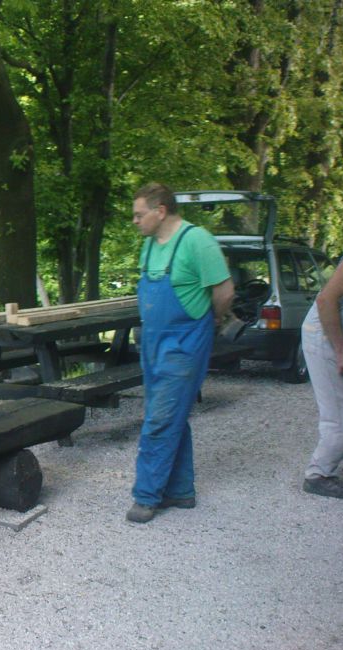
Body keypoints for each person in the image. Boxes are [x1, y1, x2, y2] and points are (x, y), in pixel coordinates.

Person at [127, 183, 234, 523]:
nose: (134, 221)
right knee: (171, 414)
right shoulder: (149, 245)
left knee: (159, 418)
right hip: (153, 342)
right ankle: (181, 490)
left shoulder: (197, 241)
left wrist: (215, 319)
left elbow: (224, 290)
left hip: (184, 342)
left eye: (139, 214)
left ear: (160, 211)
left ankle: (146, 496)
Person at [301, 255, 343, 498]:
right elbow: (325, 300)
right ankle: (318, 475)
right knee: (339, 418)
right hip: (323, 334)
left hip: (337, 332)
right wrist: (340, 350)